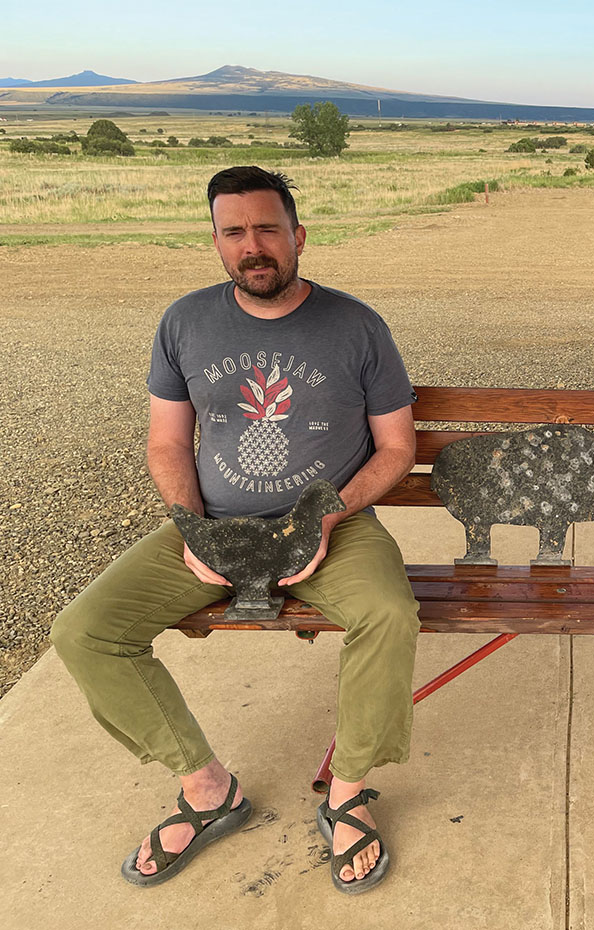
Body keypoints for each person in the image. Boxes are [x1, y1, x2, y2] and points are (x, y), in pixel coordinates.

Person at [51, 165, 421, 894]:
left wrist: (324, 517)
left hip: (333, 529)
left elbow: (398, 448)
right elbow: (166, 444)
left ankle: (347, 791)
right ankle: (205, 786)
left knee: (389, 613)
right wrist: (192, 529)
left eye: (267, 229)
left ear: (298, 236)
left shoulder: (357, 326)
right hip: (214, 525)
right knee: (83, 629)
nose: (253, 245)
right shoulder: (184, 321)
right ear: (217, 242)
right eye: (234, 232)